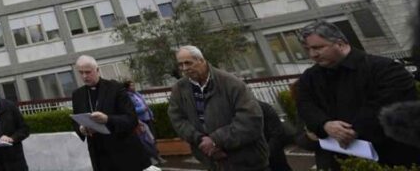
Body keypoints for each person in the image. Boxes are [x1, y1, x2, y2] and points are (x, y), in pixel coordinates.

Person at [295, 20, 420, 166]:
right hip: (335, 161)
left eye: (318, 48)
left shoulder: (385, 68)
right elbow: (305, 106)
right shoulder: (309, 78)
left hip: (390, 158)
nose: (313, 55)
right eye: (307, 49)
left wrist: (351, 130)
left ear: (340, 44)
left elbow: (389, 106)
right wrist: (325, 125)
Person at [168, 46, 268, 171]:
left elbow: (251, 119)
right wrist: (200, 140)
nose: (184, 68)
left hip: (246, 161)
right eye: (180, 65)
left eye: (188, 63)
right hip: (212, 161)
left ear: (201, 60)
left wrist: (216, 140)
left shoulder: (231, 83)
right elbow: (177, 119)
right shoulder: (179, 89)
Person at [72, 56, 151, 171]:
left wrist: (107, 119)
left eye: (88, 72)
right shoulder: (77, 95)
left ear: (97, 70)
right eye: (81, 73)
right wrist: (81, 129)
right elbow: (75, 122)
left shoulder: (115, 88)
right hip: (99, 156)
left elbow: (131, 119)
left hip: (124, 153)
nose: (84, 76)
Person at [123, 79, 162, 165]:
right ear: (127, 88)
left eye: (134, 85)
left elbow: (146, 105)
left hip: (148, 118)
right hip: (141, 121)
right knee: (146, 140)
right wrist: (142, 109)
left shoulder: (137, 94)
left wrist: (151, 115)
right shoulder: (128, 97)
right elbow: (132, 110)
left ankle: (157, 155)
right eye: (131, 85)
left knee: (152, 138)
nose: (134, 87)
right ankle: (152, 157)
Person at [257, 99, 293, 171]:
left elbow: (277, 134)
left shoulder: (263, 108)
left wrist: (265, 154)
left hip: (274, 159)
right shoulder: (234, 113)